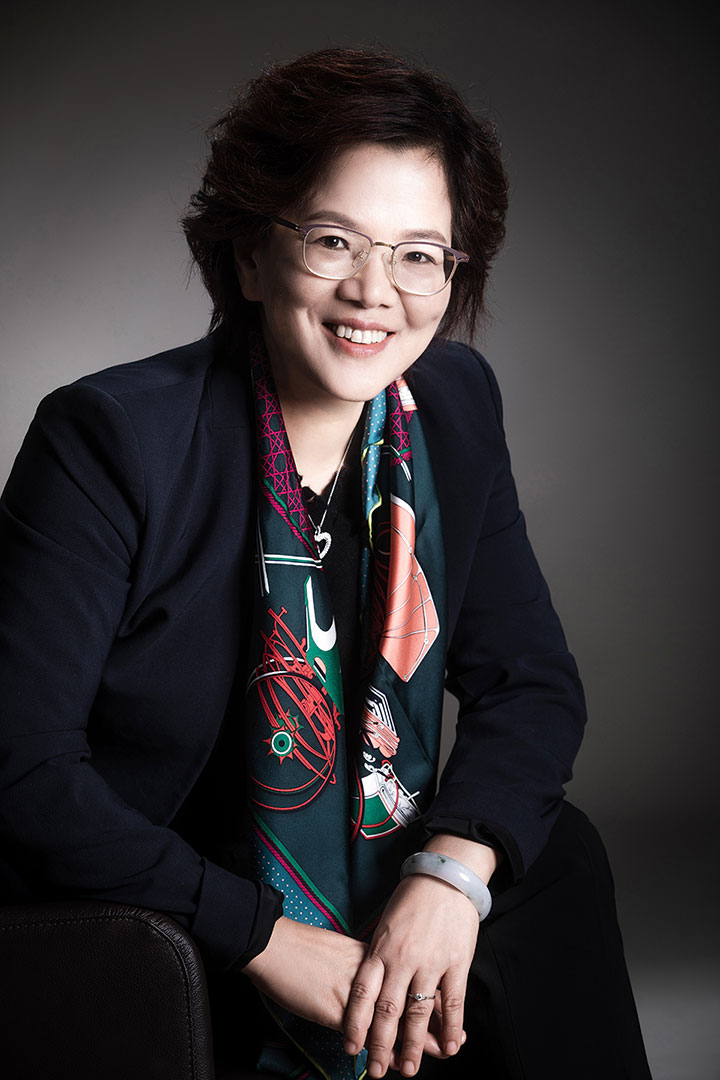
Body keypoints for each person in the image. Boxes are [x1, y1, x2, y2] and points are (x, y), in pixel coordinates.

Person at [0, 48, 651, 1079]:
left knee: (553, 856)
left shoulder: (453, 407)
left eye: (418, 255)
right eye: (333, 240)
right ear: (252, 258)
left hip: (369, 838)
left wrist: (449, 877)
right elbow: (24, 770)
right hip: (166, 880)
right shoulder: (110, 439)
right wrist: (265, 937)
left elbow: (530, 684)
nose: (373, 292)